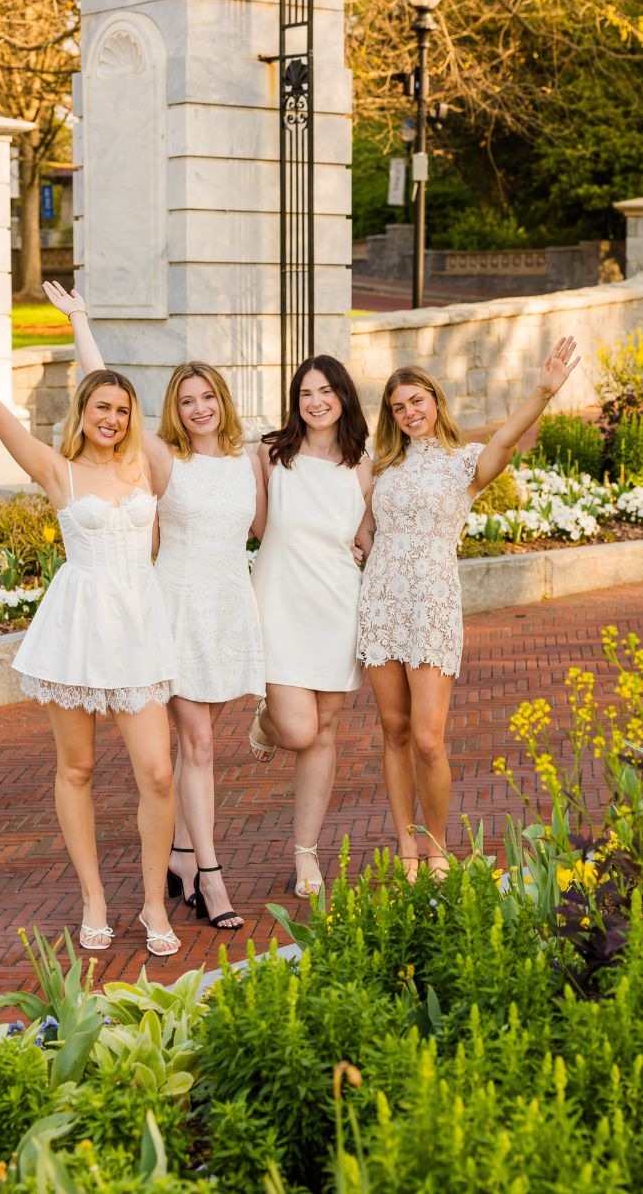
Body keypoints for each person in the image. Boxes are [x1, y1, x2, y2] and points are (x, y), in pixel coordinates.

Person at [0, 310, 180, 958]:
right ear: (81, 412)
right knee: (77, 766)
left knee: (157, 772)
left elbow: (107, 380)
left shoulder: (144, 465)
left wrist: (81, 322)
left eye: (123, 410)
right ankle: (94, 896)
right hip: (78, 627)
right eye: (102, 407)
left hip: (138, 629)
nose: (113, 419)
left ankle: (154, 900)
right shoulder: (56, 470)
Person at [46, 281, 264, 931]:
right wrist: (81, 319)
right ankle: (209, 877)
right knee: (194, 741)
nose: (198, 408)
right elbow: (103, 392)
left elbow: (270, 533)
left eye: (207, 397)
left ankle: (180, 852)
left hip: (227, 610)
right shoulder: (160, 459)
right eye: (186, 400)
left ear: (223, 402)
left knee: (200, 744)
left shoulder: (251, 462)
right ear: (173, 410)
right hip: (171, 608)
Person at [357, 339, 580, 878]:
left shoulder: (463, 464)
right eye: (399, 407)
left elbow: (505, 439)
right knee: (394, 730)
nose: (410, 413)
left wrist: (543, 391)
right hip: (381, 602)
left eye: (418, 401)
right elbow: (356, 516)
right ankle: (406, 848)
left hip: (431, 603)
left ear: (436, 401)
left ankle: (436, 848)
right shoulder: (379, 464)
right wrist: (360, 538)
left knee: (429, 739)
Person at [247, 355, 375, 897]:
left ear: (343, 396)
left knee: (324, 730)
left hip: (337, 606)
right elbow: (253, 527)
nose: (316, 401)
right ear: (295, 402)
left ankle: (306, 855)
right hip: (278, 600)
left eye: (325, 391)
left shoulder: (365, 464)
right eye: (305, 393)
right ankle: (269, 723)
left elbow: (368, 536)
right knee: (299, 730)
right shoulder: (272, 455)